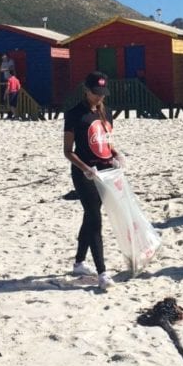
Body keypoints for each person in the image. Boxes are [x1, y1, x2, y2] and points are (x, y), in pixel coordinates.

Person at [63, 71, 123, 290]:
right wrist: (86, 168)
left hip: (106, 172)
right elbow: (68, 151)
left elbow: (107, 142)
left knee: (90, 217)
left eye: (102, 94)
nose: (100, 98)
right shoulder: (74, 114)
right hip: (85, 173)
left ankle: (79, 263)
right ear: (86, 90)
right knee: (95, 219)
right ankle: (102, 273)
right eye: (95, 94)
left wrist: (117, 154)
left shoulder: (106, 112)